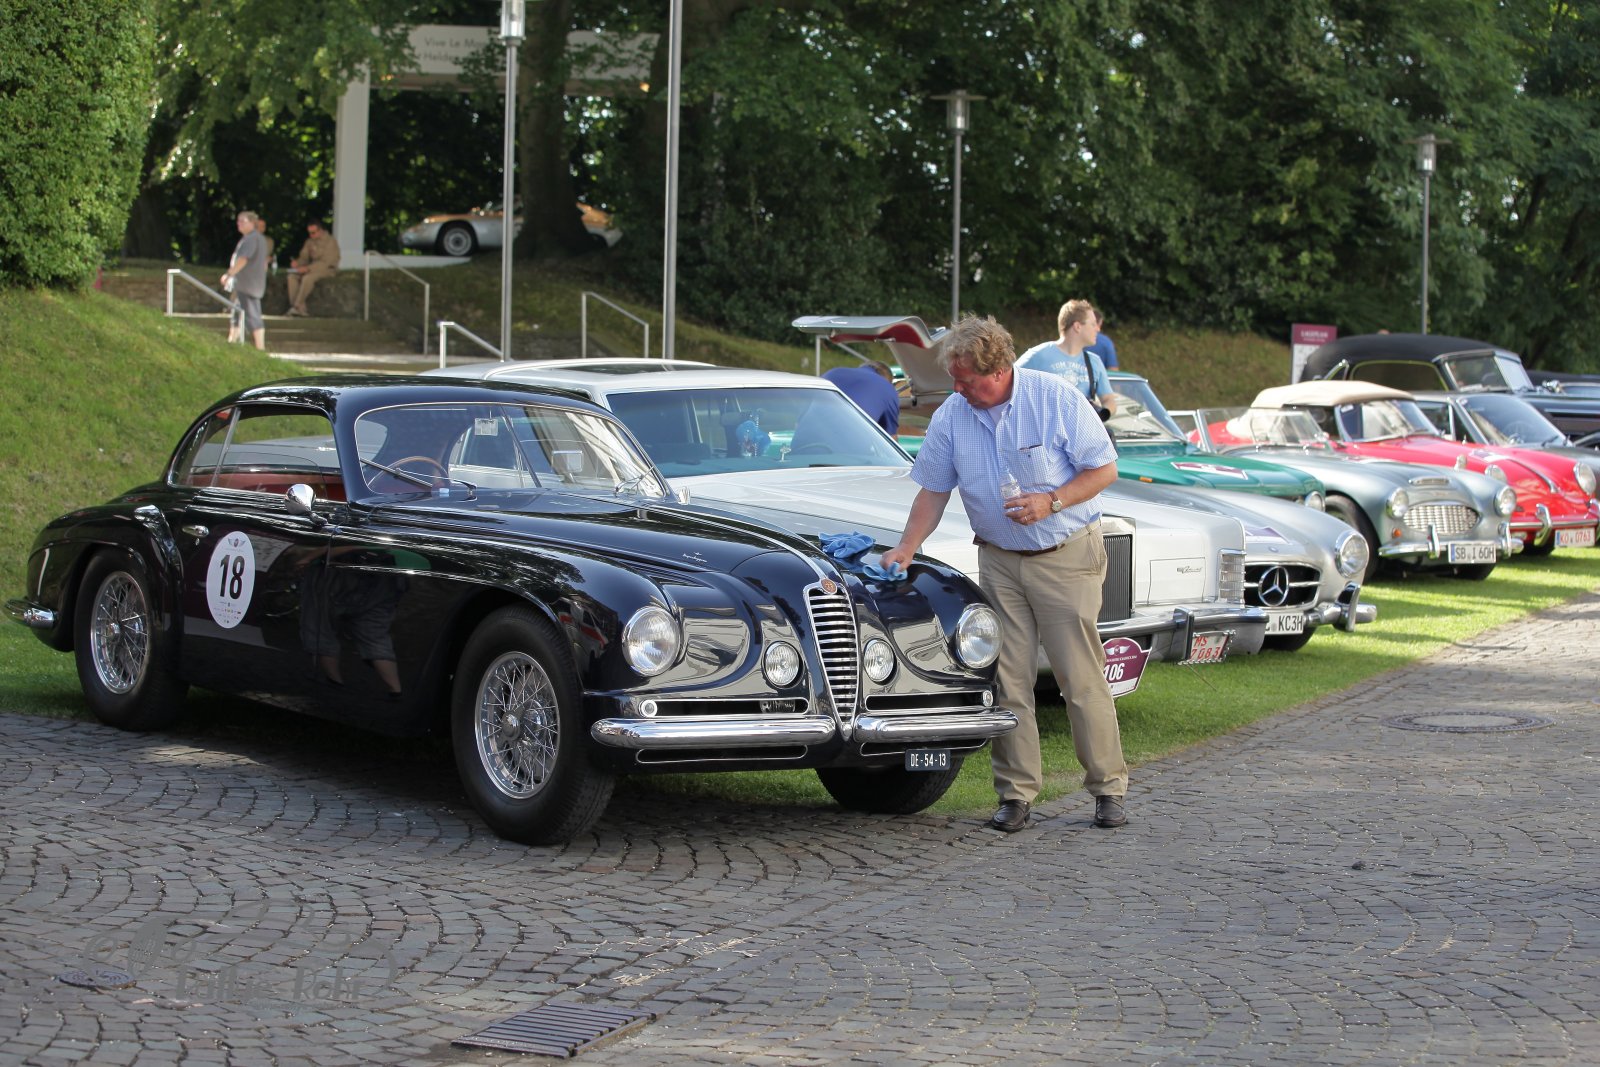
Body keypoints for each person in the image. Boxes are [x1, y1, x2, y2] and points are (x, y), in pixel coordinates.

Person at [880, 315, 1129, 833]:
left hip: (1065, 554)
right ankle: (1015, 795)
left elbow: (1104, 469)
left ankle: (1108, 789)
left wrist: (1051, 501)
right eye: (954, 378)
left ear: (998, 371)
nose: (958, 388)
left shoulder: (1054, 398)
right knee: (1008, 681)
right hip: (999, 560)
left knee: (1079, 678)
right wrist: (907, 547)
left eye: (966, 380)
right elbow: (933, 490)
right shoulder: (952, 415)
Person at [1015, 299, 1117, 417]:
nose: (1098, 329)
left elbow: (1108, 399)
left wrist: (1102, 414)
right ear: (1077, 326)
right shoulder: (1038, 355)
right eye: (1093, 324)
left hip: (1081, 428)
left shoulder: (1094, 362)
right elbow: (1006, 384)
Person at [220, 210, 268, 350]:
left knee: (253, 316)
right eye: (238, 221)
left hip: (247, 285)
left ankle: (260, 349)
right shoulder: (258, 238)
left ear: (252, 223)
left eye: (242, 221)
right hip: (251, 284)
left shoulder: (251, 239)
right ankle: (231, 343)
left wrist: (229, 274)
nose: (239, 224)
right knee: (237, 312)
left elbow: (243, 259)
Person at [823, 360, 901, 434]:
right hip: (849, 436)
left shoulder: (833, 372)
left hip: (818, 426)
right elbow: (890, 439)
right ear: (887, 379)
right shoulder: (887, 387)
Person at [285, 219, 340, 316]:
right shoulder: (309, 242)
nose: (311, 235)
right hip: (311, 268)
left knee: (308, 278)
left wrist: (308, 268)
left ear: (320, 230)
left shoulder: (330, 242)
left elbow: (327, 262)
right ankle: (298, 307)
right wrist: (297, 263)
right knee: (292, 277)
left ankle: (297, 306)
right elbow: (304, 257)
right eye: (309, 233)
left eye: (313, 233)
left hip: (327, 269)